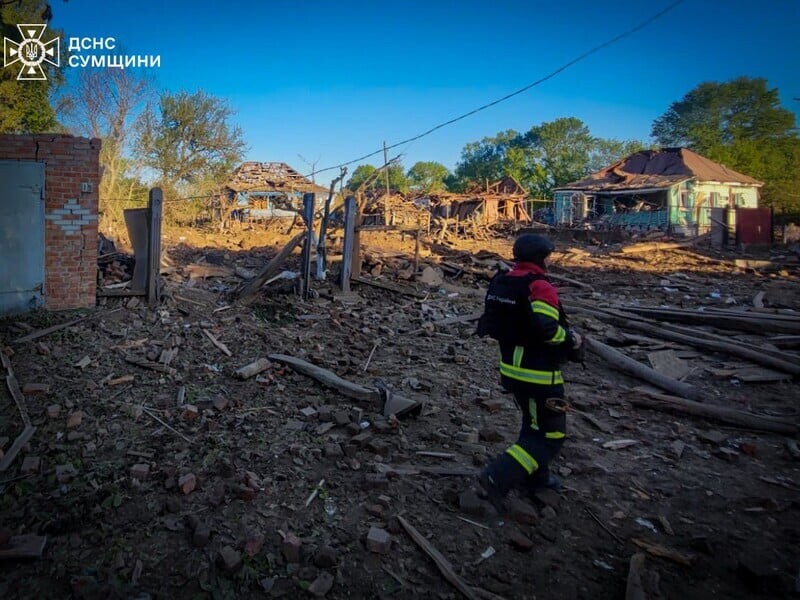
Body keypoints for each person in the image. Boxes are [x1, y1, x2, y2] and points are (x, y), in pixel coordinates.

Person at [475, 233, 583, 512]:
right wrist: (571, 339)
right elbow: (547, 330)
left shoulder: (504, 282)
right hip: (539, 376)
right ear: (541, 257)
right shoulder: (539, 286)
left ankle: (537, 479)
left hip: (511, 370)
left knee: (532, 426)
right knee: (550, 437)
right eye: (548, 256)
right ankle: (496, 476)